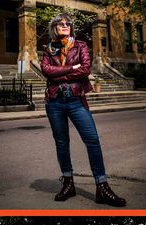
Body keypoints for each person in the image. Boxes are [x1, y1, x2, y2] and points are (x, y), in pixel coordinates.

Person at [41, 13, 126, 207]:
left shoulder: (80, 46)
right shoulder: (49, 49)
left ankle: (102, 187)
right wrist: (72, 68)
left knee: (92, 140)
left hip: (76, 100)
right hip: (54, 101)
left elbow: (85, 69)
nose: (65, 26)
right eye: (61, 23)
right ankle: (68, 183)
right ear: (54, 27)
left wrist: (60, 73)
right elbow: (47, 71)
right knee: (62, 143)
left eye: (68, 23)